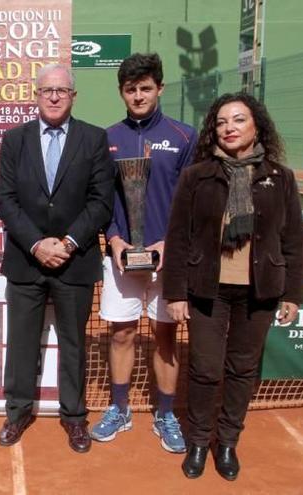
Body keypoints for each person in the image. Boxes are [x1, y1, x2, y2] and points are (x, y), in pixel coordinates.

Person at [163, 92, 303, 481]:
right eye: (223, 121)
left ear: (256, 126)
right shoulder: (197, 176)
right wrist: (175, 293)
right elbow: (178, 237)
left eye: (239, 120)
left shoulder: (280, 177)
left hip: (260, 290)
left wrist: (293, 293)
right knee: (206, 368)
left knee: (242, 369)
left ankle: (226, 442)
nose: (229, 128)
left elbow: (293, 239)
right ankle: (198, 442)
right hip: (207, 288)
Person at [0, 63, 115, 453]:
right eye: (47, 90)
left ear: (73, 96)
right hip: (25, 260)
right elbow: (6, 200)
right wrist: (36, 244)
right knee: (21, 342)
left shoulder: (94, 139)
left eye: (61, 90)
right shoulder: (14, 140)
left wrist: (67, 242)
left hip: (74, 260)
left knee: (73, 343)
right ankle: (16, 413)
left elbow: (101, 202)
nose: (54, 96)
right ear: (36, 94)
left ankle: (75, 418)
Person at [91, 53, 197, 453]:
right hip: (121, 257)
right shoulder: (107, 138)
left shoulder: (185, 137)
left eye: (146, 88)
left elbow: (193, 201)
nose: (138, 95)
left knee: (166, 335)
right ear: (122, 92)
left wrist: (169, 244)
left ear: (160, 89)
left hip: (169, 257)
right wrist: (115, 240)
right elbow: (101, 200)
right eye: (131, 89)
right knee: (121, 333)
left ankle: (166, 413)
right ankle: (120, 408)